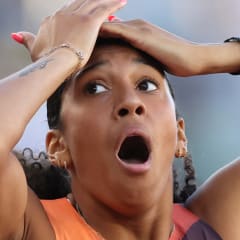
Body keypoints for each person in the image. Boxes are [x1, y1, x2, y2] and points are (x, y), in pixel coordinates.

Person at [1, 0, 240, 239]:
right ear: (59, 146)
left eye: (145, 85)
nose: (130, 102)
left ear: (180, 135)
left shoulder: (215, 225)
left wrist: (202, 56)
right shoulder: (31, 228)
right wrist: (64, 55)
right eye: (95, 88)